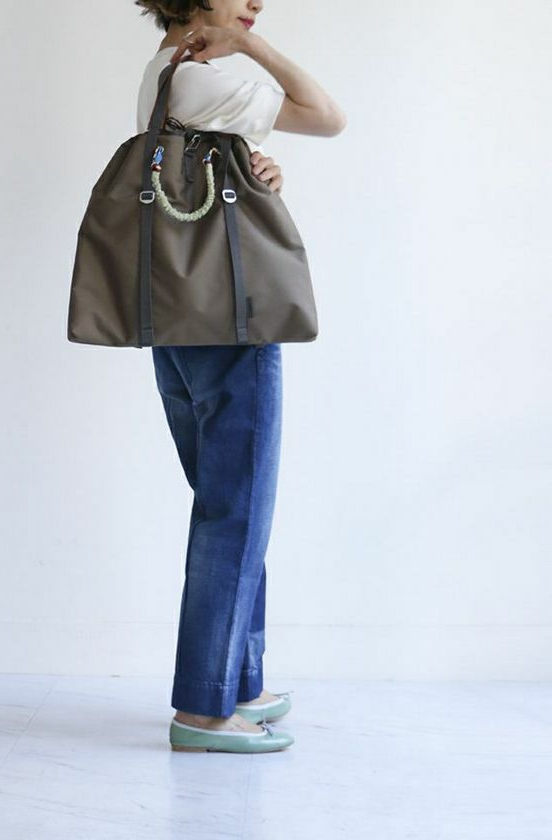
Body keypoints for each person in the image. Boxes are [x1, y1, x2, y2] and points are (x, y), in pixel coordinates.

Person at [134, 0, 346, 753]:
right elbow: (327, 116)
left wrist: (253, 165)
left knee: (230, 505)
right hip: (229, 316)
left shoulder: (163, 73)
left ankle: (240, 682)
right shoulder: (202, 77)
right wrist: (254, 50)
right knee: (237, 511)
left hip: (179, 317)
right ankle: (203, 708)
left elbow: (211, 171)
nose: (256, 4)